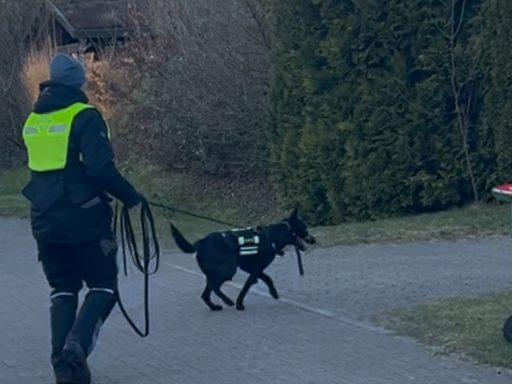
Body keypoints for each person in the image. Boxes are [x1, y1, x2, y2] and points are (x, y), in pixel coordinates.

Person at [21, 53, 141, 384]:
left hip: (44, 221)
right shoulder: (85, 116)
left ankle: (64, 366)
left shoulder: (34, 120)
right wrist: (132, 198)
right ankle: (77, 345)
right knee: (103, 286)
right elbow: (100, 168)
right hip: (85, 220)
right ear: (77, 82)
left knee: (62, 289)